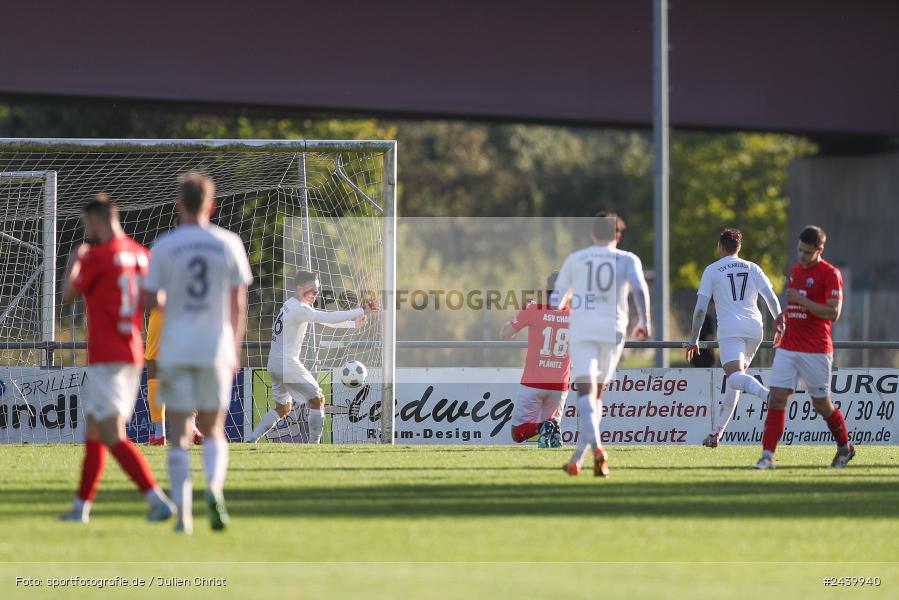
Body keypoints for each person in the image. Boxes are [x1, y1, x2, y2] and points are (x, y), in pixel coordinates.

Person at [142, 172, 253, 533]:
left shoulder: (165, 245)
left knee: (177, 433)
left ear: (178, 205)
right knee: (214, 428)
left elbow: (150, 300)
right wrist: (233, 349)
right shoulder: (229, 243)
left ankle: (184, 516)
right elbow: (238, 303)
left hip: (176, 347)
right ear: (211, 204)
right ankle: (215, 491)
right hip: (215, 347)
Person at [59, 194, 175, 524]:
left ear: (97, 220)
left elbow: (68, 295)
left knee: (111, 435)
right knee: (94, 432)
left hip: (106, 356)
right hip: (131, 351)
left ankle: (157, 499)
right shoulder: (141, 254)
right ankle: (81, 508)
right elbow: (157, 299)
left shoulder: (96, 256)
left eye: (87, 224)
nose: (87, 231)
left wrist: (74, 259)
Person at [553, 212, 650, 477]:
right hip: (614, 329)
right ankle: (577, 459)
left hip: (583, 328)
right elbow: (640, 290)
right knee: (597, 397)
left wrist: (570, 296)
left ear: (593, 234)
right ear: (617, 236)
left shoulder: (576, 258)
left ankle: (596, 448)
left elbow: (556, 301)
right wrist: (645, 321)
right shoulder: (628, 258)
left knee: (586, 392)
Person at [753, 225, 853, 469]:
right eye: (799, 250)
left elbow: (833, 311)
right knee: (777, 399)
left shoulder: (830, 273)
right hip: (789, 346)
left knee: (821, 404)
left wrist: (802, 301)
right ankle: (767, 457)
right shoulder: (796, 270)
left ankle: (845, 448)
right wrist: (785, 315)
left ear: (819, 250)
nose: (801, 256)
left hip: (816, 349)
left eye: (807, 252)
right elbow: (797, 306)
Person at [248, 270, 378, 443]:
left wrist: (352, 324)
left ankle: (251, 439)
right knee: (318, 399)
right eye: (312, 289)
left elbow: (322, 320)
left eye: (317, 289)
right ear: (299, 288)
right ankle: (313, 445)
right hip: (286, 363)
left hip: (274, 363)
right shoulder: (299, 309)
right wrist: (363, 309)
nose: (316, 293)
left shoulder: (292, 304)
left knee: (283, 408)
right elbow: (327, 317)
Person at [685, 228, 782, 447]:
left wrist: (694, 339)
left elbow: (700, 309)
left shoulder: (712, 269)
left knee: (735, 376)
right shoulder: (752, 267)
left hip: (731, 329)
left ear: (720, 247)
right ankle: (716, 433)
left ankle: (767, 395)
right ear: (739, 247)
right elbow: (770, 297)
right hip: (755, 328)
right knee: (735, 380)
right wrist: (780, 323)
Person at [499, 271, 570, 448]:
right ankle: (549, 431)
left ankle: (544, 427)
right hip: (559, 385)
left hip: (533, 383)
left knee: (518, 433)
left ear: (547, 289)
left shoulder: (533, 310)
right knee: (552, 432)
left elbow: (505, 334)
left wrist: (525, 311)